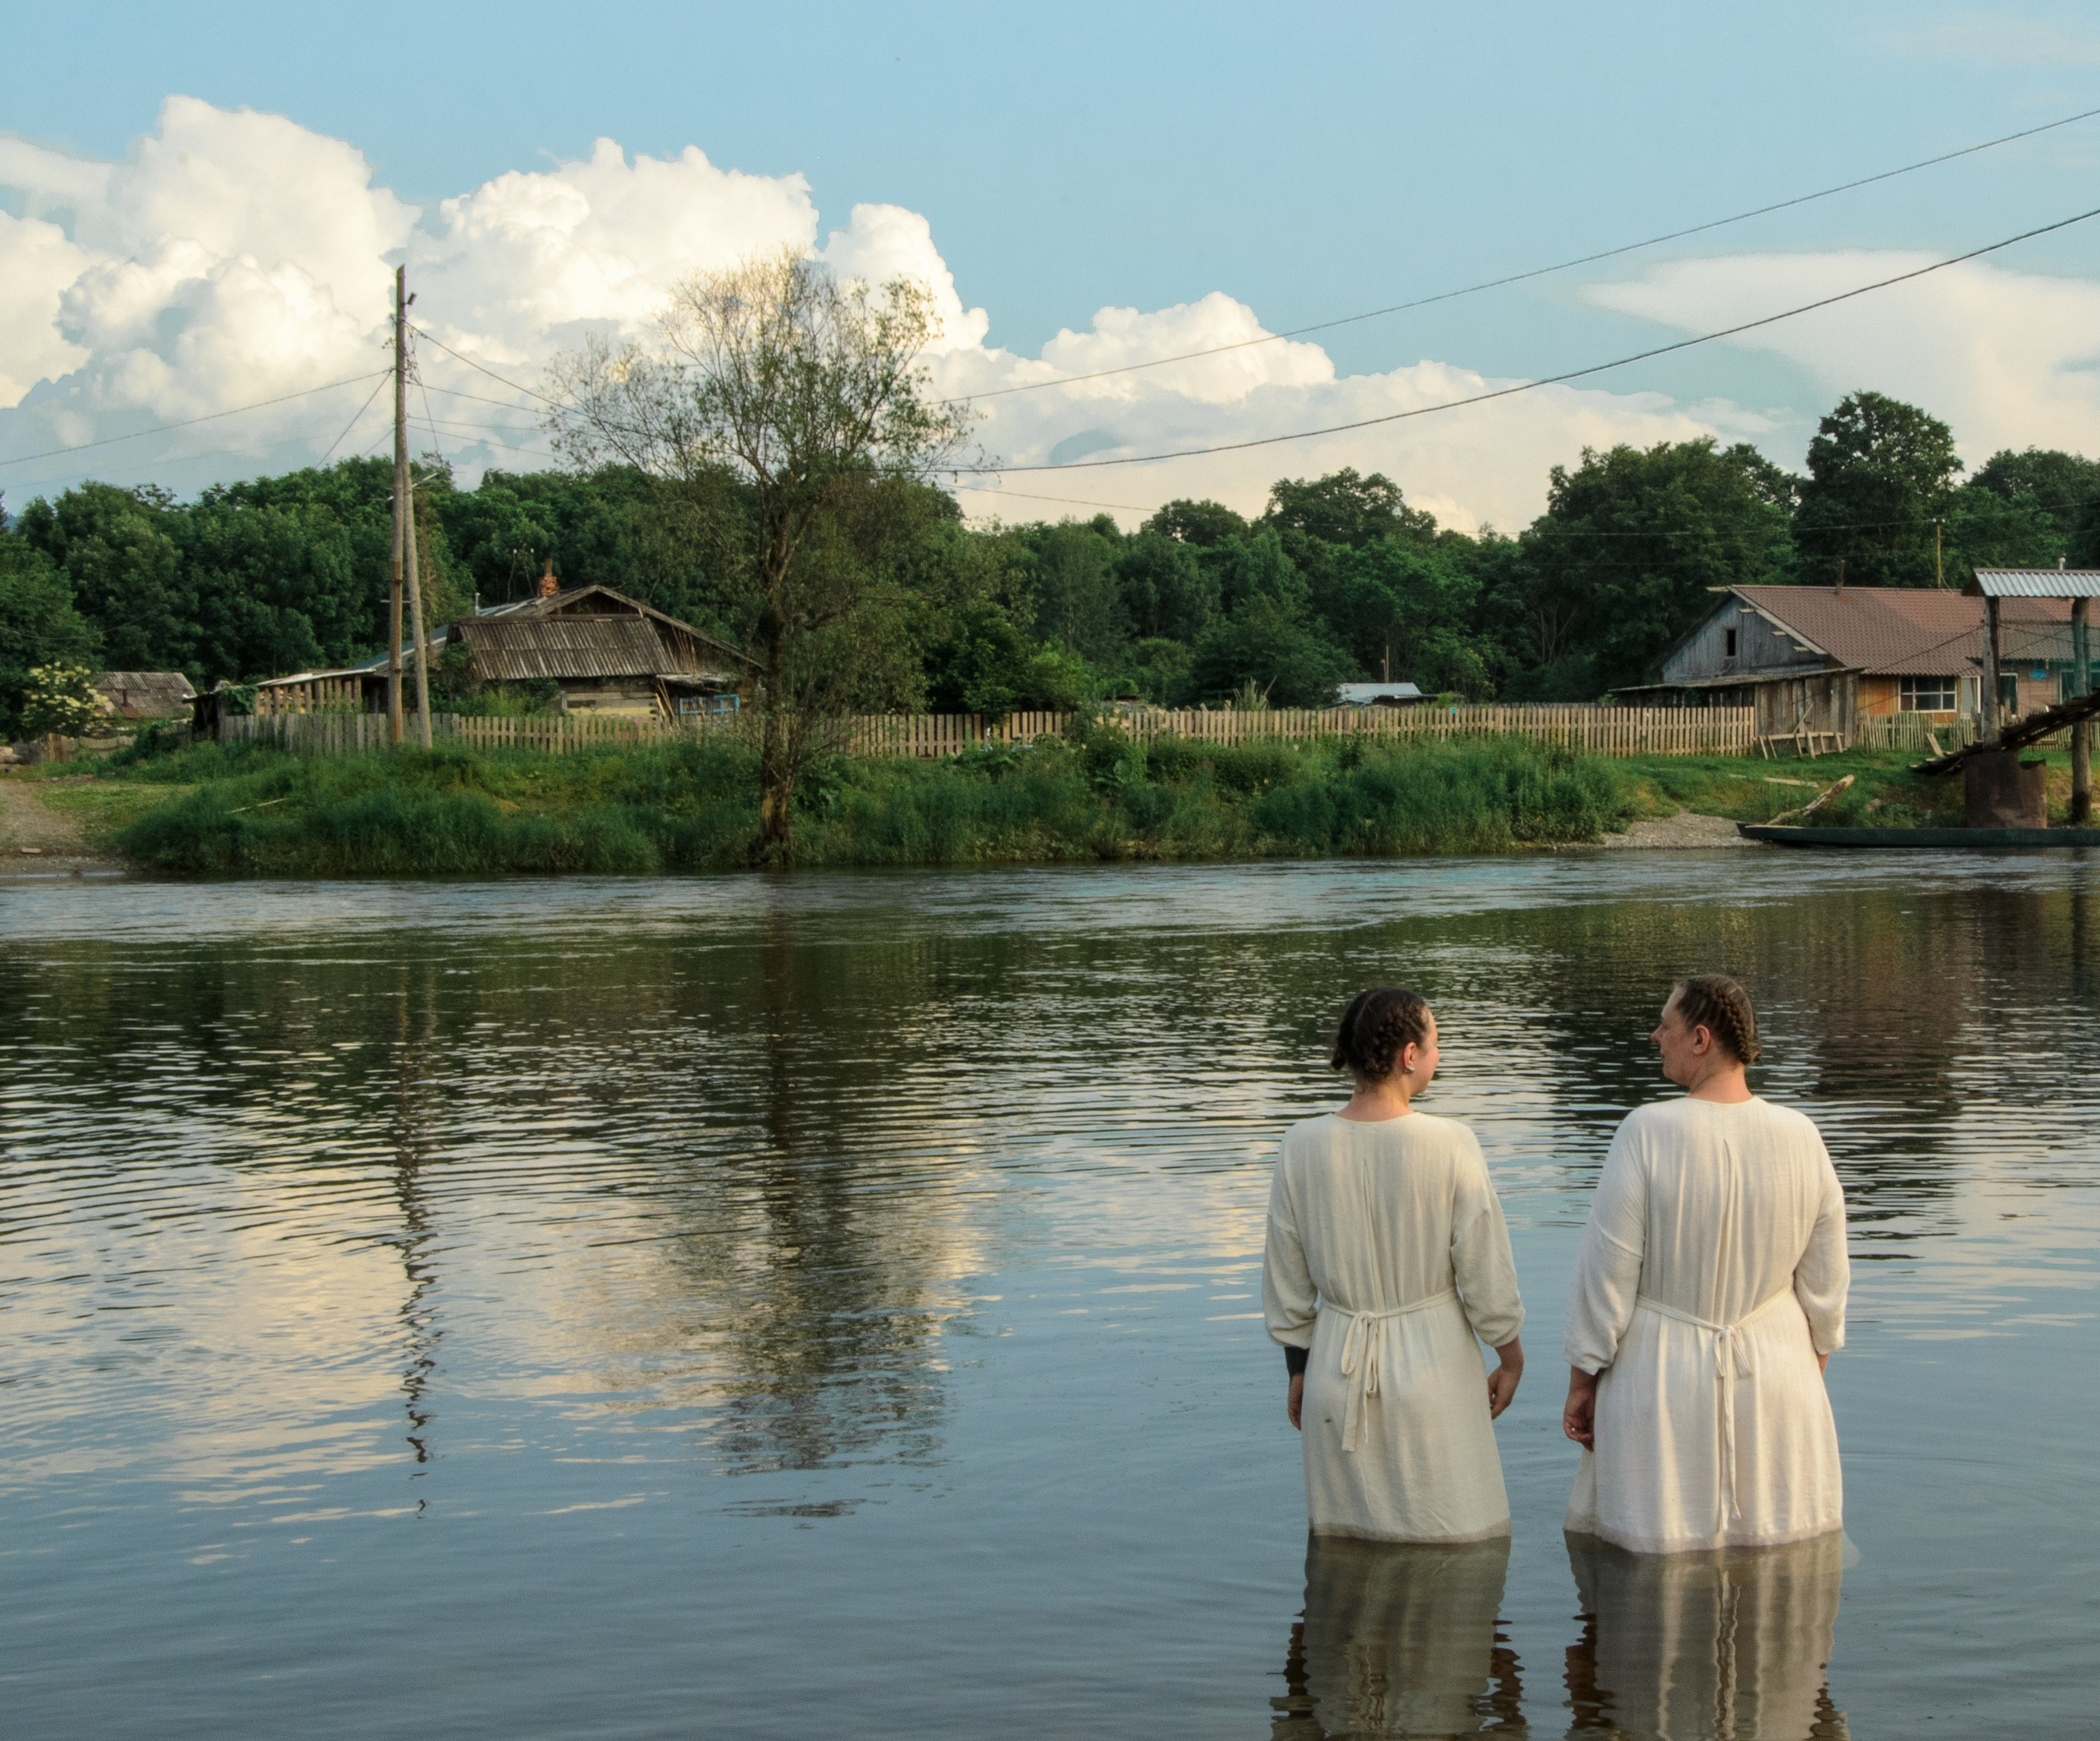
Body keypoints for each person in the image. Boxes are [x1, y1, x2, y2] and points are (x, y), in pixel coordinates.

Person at [1562, 974, 1849, 1555]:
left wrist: (1582, 1380)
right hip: (1778, 1372)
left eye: (1664, 1026)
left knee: (1653, 1565)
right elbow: (1827, 1284)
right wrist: (1804, 1367)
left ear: (1700, 1038)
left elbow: (1607, 1276)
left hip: (1661, 1373)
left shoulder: (1646, 1131)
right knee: (1780, 1568)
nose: (1653, 1036)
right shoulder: (1802, 1134)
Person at [1264, 987, 1526, 1542]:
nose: (1438, 1055)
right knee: (1456, 1548)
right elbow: (1485, 1273)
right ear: (1409, 1055)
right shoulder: (1451, 1142)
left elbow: (1289, 1286)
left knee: (1348, 1552)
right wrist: (1510, 1357)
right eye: (1435, 1043)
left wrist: (1298, 1370)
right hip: (1434, 1374)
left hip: (1336, 1369)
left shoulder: (1300, 1144)